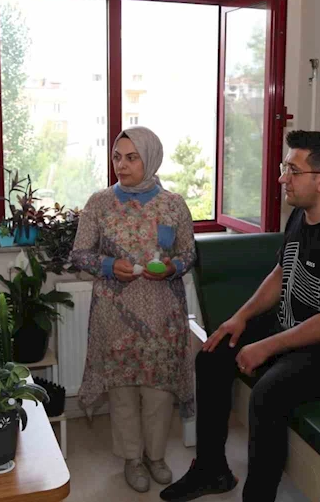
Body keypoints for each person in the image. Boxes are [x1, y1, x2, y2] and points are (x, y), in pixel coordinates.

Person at [161, 130, 320, 502]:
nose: (282, 178)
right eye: (285, 167)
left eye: (292, 170)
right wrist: (241, 317)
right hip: (296, 325)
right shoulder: (301, 215)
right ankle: (212, 470)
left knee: (268, 393)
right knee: (213, 353)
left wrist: (266, 346)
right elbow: (283, 271)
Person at [71, 126, 196, 494]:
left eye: (131, 157)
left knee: (159, 391)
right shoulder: (99, 203)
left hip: (163, 314)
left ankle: (155, 456)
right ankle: (131, 459)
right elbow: (80, 254)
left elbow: (189, 253)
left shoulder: (173, 204)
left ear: (151, 159)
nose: (121, 165)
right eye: (116, 157)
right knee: (123, 390)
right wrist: (110, 266)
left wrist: (173, 267)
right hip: (114, 314)